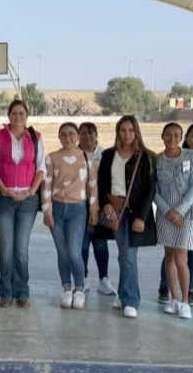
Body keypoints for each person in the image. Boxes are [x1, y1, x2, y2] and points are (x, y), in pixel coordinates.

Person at [96, 116, 156, 319]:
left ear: (136, 132)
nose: (127, 134)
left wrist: (142, 217)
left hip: (134, 213)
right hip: (114, 211)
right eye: (123, 130)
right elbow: (102, 183)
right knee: (123, 255)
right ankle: (123, 296)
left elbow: (150, 190)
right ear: (117, 132)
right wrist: (105, 204)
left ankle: (131, 300)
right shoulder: (108, 155)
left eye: (131, 130)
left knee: (129, 256)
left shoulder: (146, 157)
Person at [0, 100, 45, 308]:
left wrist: (30, 192)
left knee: (21, 248)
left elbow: (41, 169)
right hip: (4, 199)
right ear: (9, 115)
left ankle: (22, 291)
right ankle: (6, 292)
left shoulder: (36, 138)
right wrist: (4, 190)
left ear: (27, 116)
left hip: (28, 201)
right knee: (6, 247)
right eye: (14, 113)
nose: (18, 117)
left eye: (22, 113)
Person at [43, 122, 99, 310]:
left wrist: (93, 210)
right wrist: (47, 210)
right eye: (64, 135)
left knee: (74, 252)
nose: (68, 138)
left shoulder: (87, 158)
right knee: (63, 252)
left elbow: (92, 185)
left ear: (77, 137)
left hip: (78, 210)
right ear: (59, 137)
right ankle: (66, 287)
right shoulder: (52, 158)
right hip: (57, 209)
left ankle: (80, 288)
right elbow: (47, 185)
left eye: (71, 134)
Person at [153, 123, 193, 321]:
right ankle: (173, 298)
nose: (172, 138)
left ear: (181, 136)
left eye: (176, 134)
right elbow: (154, 190)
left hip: (186, 215)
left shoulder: (191, 157)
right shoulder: (157, 160)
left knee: (181, 259)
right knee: (169, 256)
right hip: (166, 215)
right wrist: (168, 211)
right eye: (168, 134)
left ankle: (185, 301)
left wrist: (180, 211)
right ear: (162, 136)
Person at [78, 122, 113, 295]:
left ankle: (103, 279)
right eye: (83, 133)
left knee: (100, 243)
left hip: (101, 205)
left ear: (96, 135)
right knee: (82, 244)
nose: (87, 136)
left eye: (91, 132)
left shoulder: (105, 155)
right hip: (79, 206)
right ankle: (82, 279)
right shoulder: (74, 154)